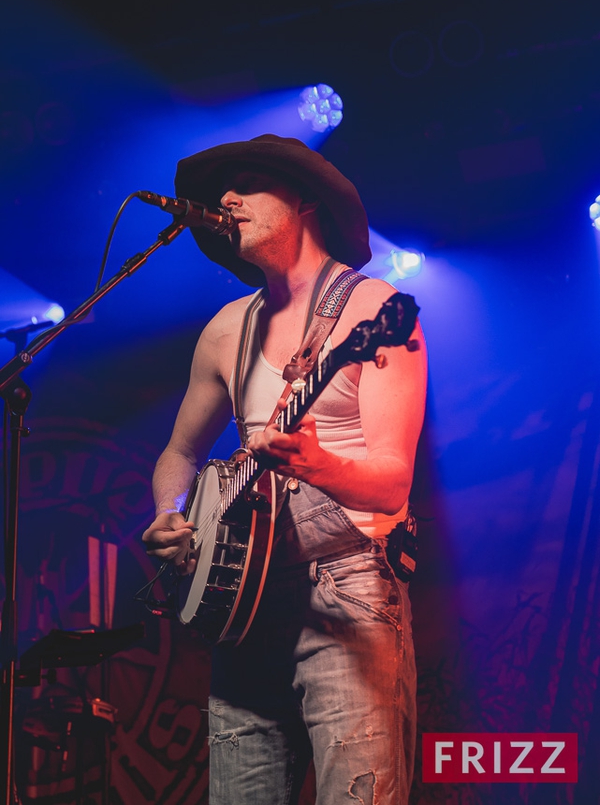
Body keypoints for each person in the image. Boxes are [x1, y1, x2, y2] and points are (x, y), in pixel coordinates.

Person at [142, 134, 427, 804]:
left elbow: (392, 482)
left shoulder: (372, 311)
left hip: (347, 592)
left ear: (302, 199)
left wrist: (317, 462)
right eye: (220, 193)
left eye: (246, 183)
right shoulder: (224, 330)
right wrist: (168, 514)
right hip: (242, 605)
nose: (226, 200)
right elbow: (178, 456)